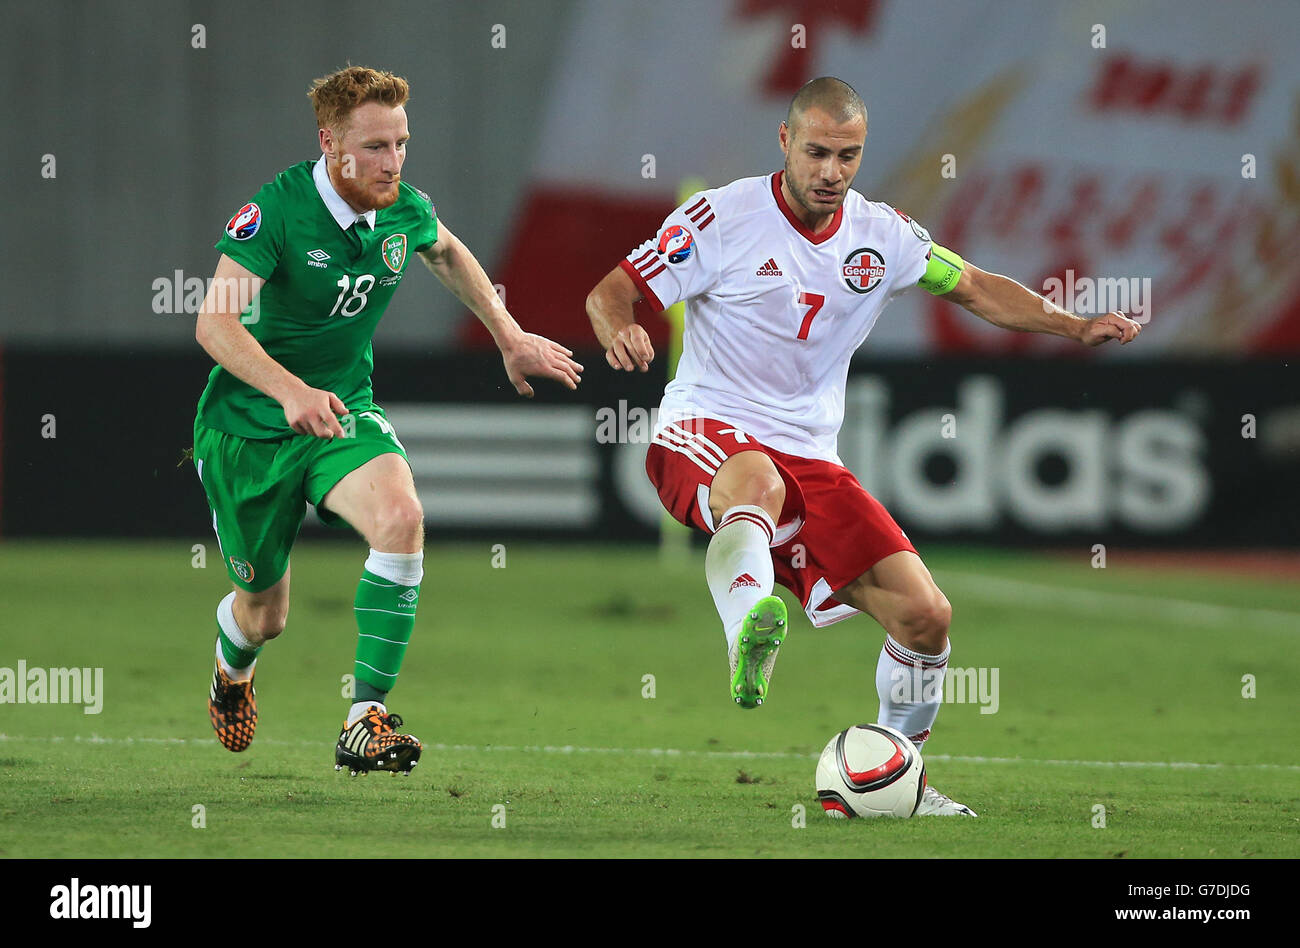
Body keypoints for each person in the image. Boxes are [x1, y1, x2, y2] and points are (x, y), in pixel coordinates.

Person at [585, 76, 1140, 815]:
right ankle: (746, 626)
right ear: (784, 141)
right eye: (817, 152)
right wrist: (621, 327)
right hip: (706, 427)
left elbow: (972, 285)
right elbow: (612, 291)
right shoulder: (718, 218)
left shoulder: (885, 235)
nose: (831, 172)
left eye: (848, 156)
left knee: (926, 616)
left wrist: (1072, 326)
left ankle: (894, 774)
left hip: (813, 457)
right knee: (755, 482)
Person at [193, 66, 582, 775]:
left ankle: (361, 720)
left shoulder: (403, 207)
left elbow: (446, 250)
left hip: (342, 412)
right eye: (374, 147)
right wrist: (288, 391)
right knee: (265, 615)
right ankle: (231, 665)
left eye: (401, 143)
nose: (392, 162)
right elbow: (214, 324)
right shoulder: (275, 212)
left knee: (402, 518)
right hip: (249, 430)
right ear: (330, 143)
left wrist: (509, 334)